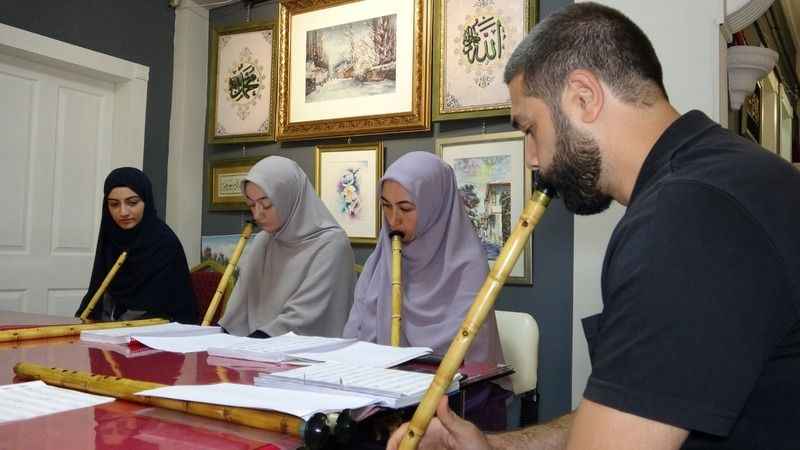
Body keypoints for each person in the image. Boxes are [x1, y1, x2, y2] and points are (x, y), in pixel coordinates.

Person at [388, 3, 800, 450]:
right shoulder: (712, 181)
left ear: (583, 97)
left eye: (530, 128)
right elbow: (633, 409)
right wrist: (493, 447)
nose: (532, 159)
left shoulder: (685, 219)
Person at [343, 151, 504, 364]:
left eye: (405, 208)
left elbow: (466, 353)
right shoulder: (382, 257)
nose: (393, 220)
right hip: (380, 383)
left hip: (451, 387)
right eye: (386, 206)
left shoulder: (467, 264)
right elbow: (354, 335)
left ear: (434, 207)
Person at [219, 156, 355, 338]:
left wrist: (256, 342)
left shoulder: (332, 244)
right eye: (251, 205)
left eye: (266, 204)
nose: (258, 214)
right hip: (255, 348)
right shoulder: (263, 240)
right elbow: (238, 310)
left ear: (288, 197)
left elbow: (305, 318)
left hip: (308, 356)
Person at [76, 167, 198, 323]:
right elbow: (95, 299)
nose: (123, 212)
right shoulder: (111, 236)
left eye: (132, 203)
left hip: (155, 334)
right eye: (114, 204)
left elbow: (173, 310)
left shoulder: (164, 243)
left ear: (146, 202)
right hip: (105, 333)